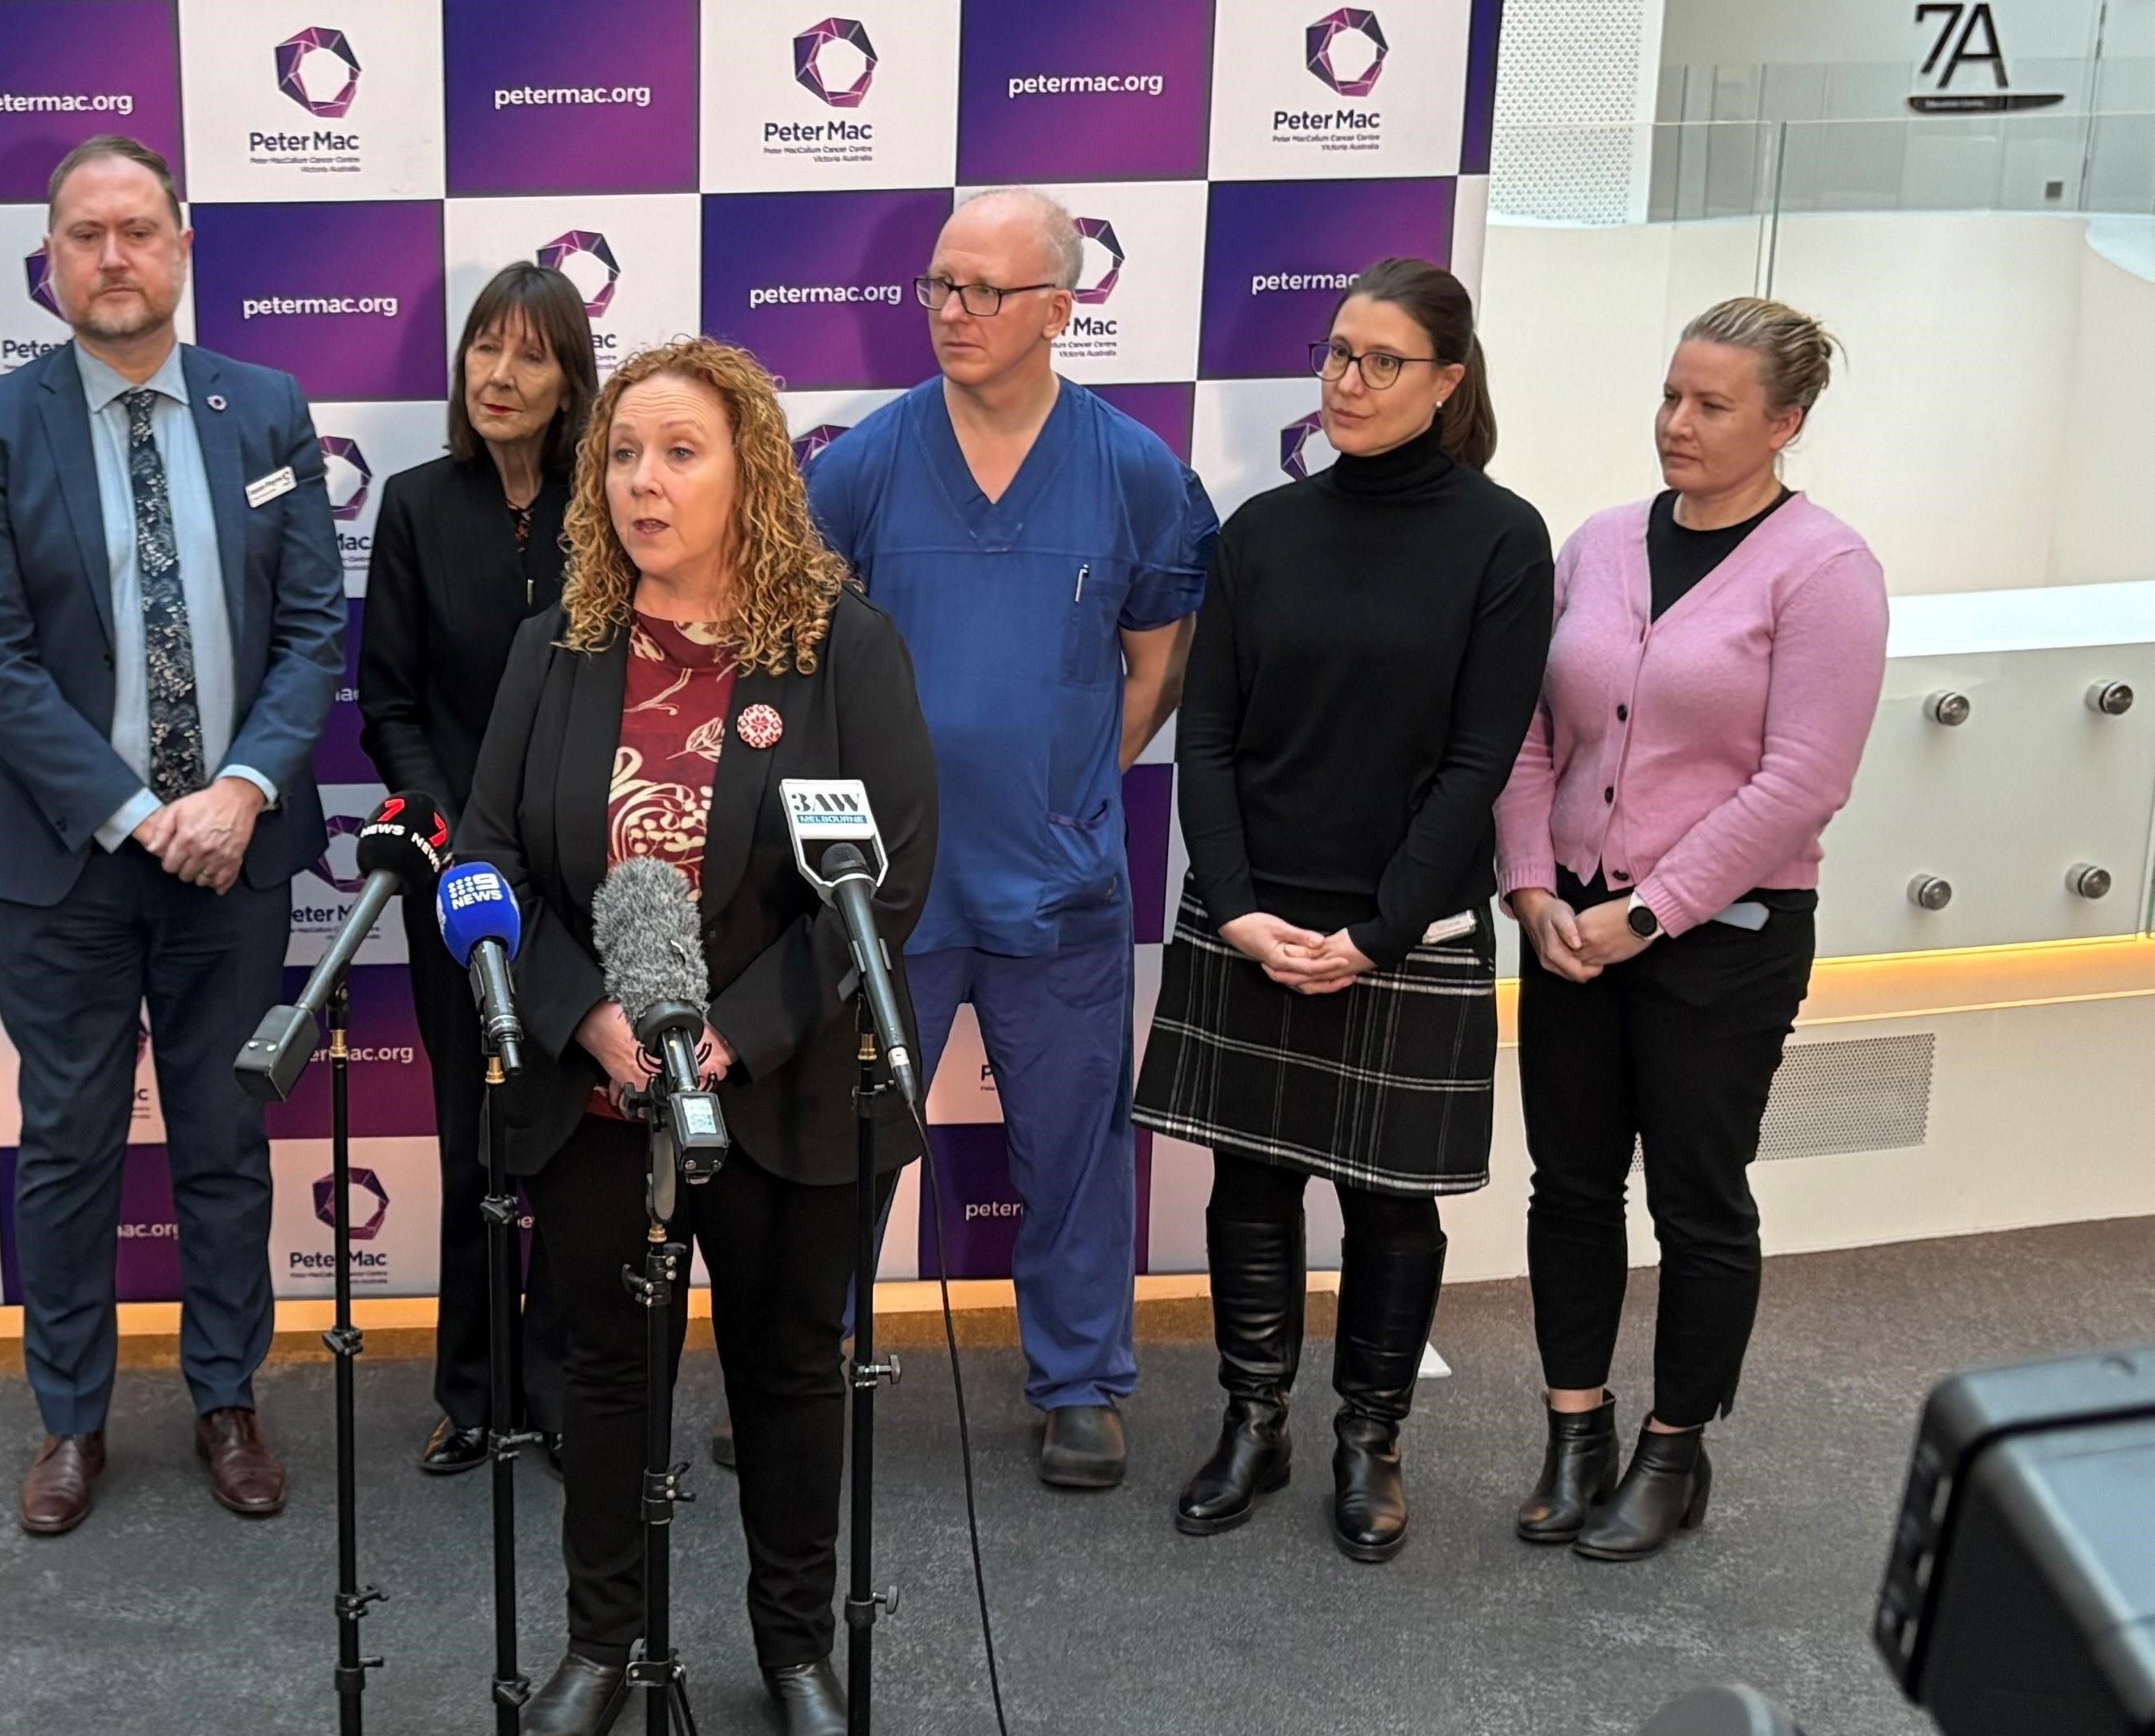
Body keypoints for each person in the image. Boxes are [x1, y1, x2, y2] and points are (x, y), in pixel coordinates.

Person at [457, 339, 936, 1736]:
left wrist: (730, 1035)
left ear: (753, 475)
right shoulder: (556, 646)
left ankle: (794, 1650)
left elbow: (885, 879)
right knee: (609, 1375)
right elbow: (487, 856)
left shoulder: (841, 647)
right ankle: (601, 1643)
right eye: (621, 455)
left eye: (679, 452)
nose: (642, 482)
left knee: (786, 1373)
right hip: (597, 1093)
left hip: (786, 1089)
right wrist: (584, 1018)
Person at [0, 134, 345, 1534]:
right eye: (84, 234)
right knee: (68, 1146)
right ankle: (70, 1418)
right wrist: (134, 811)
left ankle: (226, 1397)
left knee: (225, 1137)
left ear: (181, 245)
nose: (113, 256)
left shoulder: (265, 410)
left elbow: (310, 628)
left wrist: (242, 788)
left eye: (137, 230)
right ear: (49, 262)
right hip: (59, 859)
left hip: (234, 849)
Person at [1133, 258, 1551, 1564]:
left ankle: (1369, 1440)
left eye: (1380, 361)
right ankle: (1252, 1422)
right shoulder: (1261, 532)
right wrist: (1235, 909)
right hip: (1253, 916)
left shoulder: (1501, 538)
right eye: (1335, 354)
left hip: (1402, 928)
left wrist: (1380, 931)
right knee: (1248, 1183)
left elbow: (1480, 761)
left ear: (1447, 382)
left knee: (1390, 1204)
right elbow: (1208, 740)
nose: (1347, 382)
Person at [804, 188, 1217, 1490]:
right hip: (892, 893)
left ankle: (1080, 1382)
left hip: (1057, 891)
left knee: (1072, 1144)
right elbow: (807, 664)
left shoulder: (1134, 473)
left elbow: (1155, 663)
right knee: (845, 1139)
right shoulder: (860, 468)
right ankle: (808, 1367)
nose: (953, 311)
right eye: (939, 284)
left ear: (1060, 308)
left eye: (986, 290)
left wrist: (1065, 794)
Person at [1495, 299, 1886, 1561]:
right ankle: (1574, 1432)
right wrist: (1532, 886)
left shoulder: (1824, 569)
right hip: (1567, 924)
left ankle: (1673, 1450)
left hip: (1724, 942)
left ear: (1784, 423)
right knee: (1568, 1184)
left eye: (1711, 405)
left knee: (1696, 1199)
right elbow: (1529, 730)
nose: (1676, 422)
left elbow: (1802, 780)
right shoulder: (1600, 542)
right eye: (1670, 394)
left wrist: (1647, 912)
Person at [358, 263, 599, 1475]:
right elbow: (389, 707)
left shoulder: (608, 506)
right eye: (484, 349)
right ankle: (473, 1391)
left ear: (570, 383)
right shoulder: (414, 504)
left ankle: (558, 1385)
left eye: (531, 355)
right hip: (456, 885)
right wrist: (458, 849)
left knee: (573, 1145)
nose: (499, 376)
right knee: (474, 1139)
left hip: (586, 877)